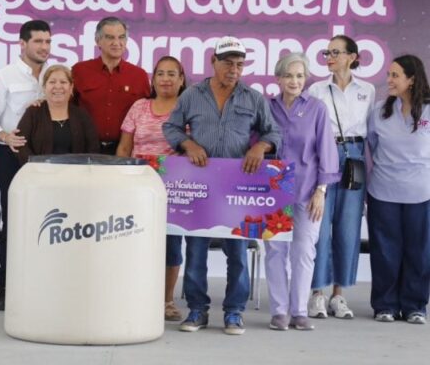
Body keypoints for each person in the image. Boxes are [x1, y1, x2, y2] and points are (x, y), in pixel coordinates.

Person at [163, 36, 281, 335]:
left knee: (237, 254)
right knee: (196, 251)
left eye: (240, 65)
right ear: (213, 61)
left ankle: (234, 312)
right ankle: (197, 310)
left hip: (237, 187)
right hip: (200, 185)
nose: (234, 70)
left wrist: (261, 146)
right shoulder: (192, 95)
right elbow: (171, 127)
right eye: (228, 63)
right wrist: (188, 144)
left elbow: (274, 133)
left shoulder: (253, 98)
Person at [266, 53, 340, 331]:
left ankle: (299, 311)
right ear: (278, 78)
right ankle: (279, 311)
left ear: (306, 78)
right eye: (288, 75)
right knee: (275, 250)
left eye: (299, 76)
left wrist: (321, 191)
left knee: (304, 251)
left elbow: (327, 152)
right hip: (273, 190)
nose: (294, 81)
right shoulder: (268, 107)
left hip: (308, 190)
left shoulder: (317, 109)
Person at [0, 20, 51, 310]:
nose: (44, 47)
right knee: (15, 221)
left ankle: (43, 286)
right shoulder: (4, 76)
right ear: (22, 44)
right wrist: (4, 136)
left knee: (48, 221)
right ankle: (6, 287)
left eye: (48, 42)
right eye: (38, 42)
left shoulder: (55, 74)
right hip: (12, 156)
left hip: (46, 159)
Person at [307, 35, 375, 319]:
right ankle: (317, 293)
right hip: (325, 155)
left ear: (352, 57)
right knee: (320, 226)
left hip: (355, 156)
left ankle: (339, 294)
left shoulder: (367, 90)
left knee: (348, 228)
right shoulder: (316, 89)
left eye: (336, 52)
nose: (330, 58)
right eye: (327, 53)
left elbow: (372, 133)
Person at [116, 55, 187, 321]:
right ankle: (134, 297)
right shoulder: (139, 107)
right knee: (134, 242)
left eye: (172, 74)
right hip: (137, 185)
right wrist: (121, 178)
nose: (165, 79)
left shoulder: (188, 108)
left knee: (171, 245)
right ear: (153, 79)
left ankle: (166, 301)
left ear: (181, 79)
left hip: (175, 188)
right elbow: (125, 146)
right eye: (160, 74)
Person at [367, 54, 430, 325]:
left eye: (395, 75)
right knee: (385, 251)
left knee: (419, 252)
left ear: (411, 80)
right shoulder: (380, 111)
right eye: (388, 74)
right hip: (383, 192)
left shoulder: (428, 111)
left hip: (421, 193)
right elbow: (372, 145)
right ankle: (385, 305)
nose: (389, 80)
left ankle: (415, 306)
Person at [72, 17, 150, 154]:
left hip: (124, 151)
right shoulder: (79, 71)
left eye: (121, 37)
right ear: (98, 41)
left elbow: (147, 115)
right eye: (110, 37)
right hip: (84, 150)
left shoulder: (139, 75)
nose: (116, 43)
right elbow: (65, 108)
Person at [16, 64, 99, 162]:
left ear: (71, 87)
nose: (58, 86)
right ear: (44, 87)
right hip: (39, 170)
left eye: (63, 82)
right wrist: (36, 166)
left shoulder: (81, 114)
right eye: (52, 82)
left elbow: (93, 147)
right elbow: (21, 145)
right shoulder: (33, 113)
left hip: (76, 170)